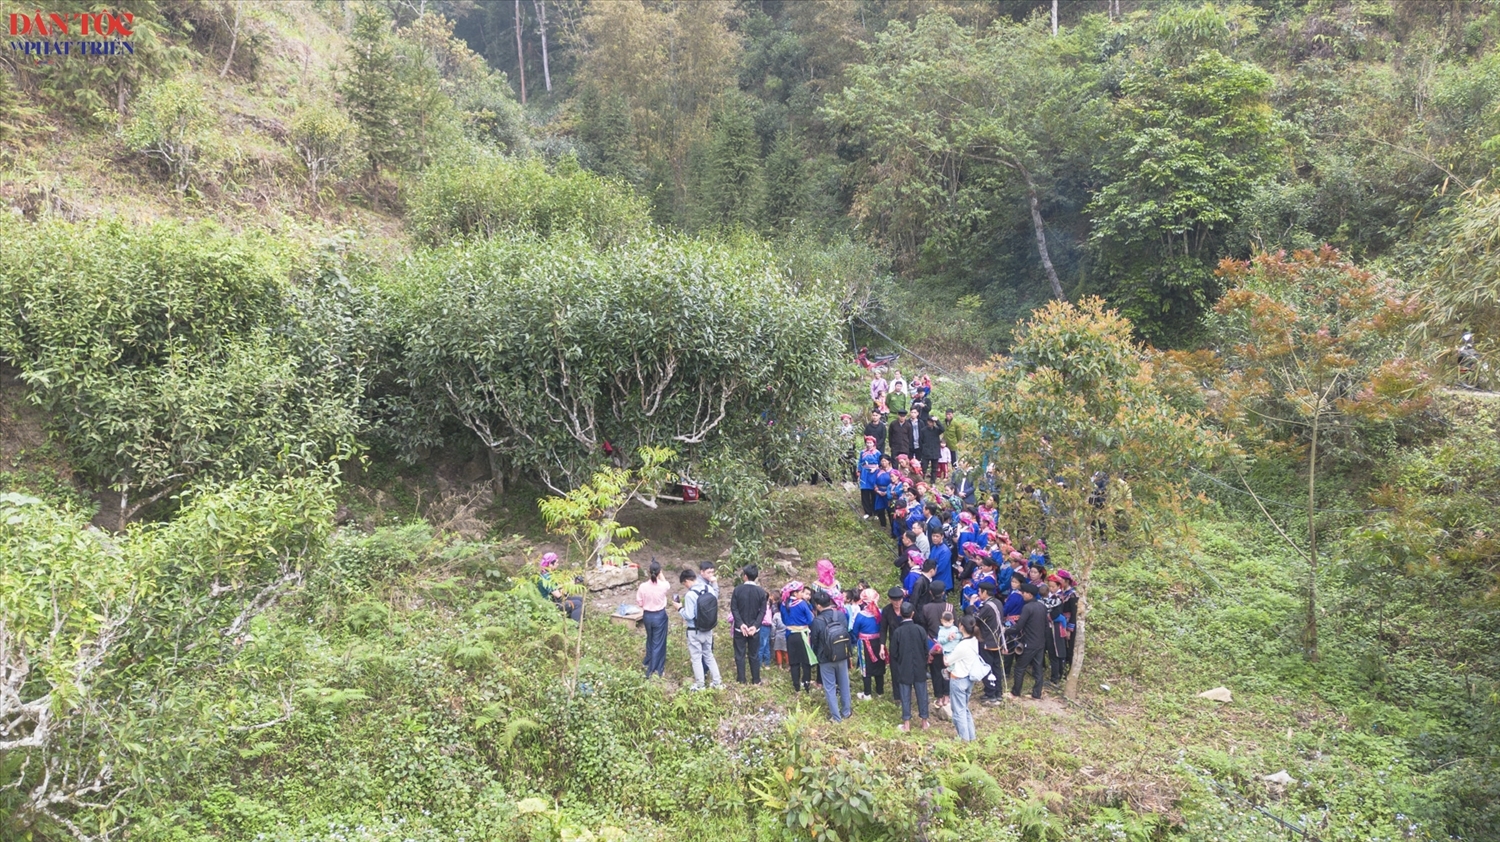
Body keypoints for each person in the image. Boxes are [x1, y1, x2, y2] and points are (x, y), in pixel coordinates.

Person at [676, 563, 724, 691]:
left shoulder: (690, 595)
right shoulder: (709, 589)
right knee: (709, 655)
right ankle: (717, 682)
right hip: (708, 628)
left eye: (684, 584)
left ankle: (700, 685)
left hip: (694, 630)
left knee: (696, 658)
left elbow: (689, 615)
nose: (685, 586)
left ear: (687, 581)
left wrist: (679, 608)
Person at [944, 616, 990, 742]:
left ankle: (964, 739)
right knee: (964, 708)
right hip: (969, 679)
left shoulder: (962, 646)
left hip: (958, 679)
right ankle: (971, 737)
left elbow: (947, 662)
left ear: (961, 627)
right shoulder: (974, 640)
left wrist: (944, 650)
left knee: (958, 711)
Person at [809, 590, 854, 722]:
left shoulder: (817, 621)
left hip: (826, 658)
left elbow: (815, 641)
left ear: (818, 605)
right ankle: (846, 711)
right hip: (842, 654)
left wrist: (818, 654)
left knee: (829, 687)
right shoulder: (840, 615)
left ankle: (836, 717)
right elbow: (845, 631)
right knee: (844, 683)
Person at [889, 601, 933, 731]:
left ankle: (907, 724)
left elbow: (893, 653)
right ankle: (924, 722)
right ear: (912, 614)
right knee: (922, 694)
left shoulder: (898, 632)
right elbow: (926, 649)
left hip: (904, 667)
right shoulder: (920, 630)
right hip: (919, 666)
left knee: (905, 695)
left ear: (900, 614)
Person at [731, 564, 769, 685]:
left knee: (740, 654)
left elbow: (734, 609)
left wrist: (741, 624)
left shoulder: (737, 590)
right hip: (754, 629)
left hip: (740, 629)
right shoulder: (761, 592)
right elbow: (762, 611)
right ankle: (756, 679)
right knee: (754, 654)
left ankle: (741, 679)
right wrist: (755, 626)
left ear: (745, 576)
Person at [1011, 582, 1049, 699]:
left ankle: (1015, 692)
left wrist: (1006, 631)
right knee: (1038, 669)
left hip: (1029, 643)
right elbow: (1046, 626)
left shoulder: (1027, 608)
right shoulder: (1042, 606)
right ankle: (1036, 693)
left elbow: (1019, 626)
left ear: (1030, 594)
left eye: (1024, 593)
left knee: (1019, 668)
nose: (1022, 594)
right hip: (1040, 643)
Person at [636, 560, 671, 678]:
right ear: (660, 572)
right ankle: (654, 668)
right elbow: (666, 583)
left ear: (648, 571)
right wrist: (661, 574)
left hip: (647, 615)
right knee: (658, 642)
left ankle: (648, 660)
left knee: (650, 638)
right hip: (659, 616)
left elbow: (640, 602)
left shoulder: (643, 586)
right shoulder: (663, 586)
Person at [974, 579, 1007, 705]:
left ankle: (990, 693)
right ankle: (998, 692)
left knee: (987, 668)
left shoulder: (987, 606)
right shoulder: (997, 602)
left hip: (987, 641)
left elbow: (976, 619)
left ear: (985, 592)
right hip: (997, 640)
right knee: (996, 667)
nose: (978, 593)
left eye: (979, 591)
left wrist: (971, 605)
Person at [781, 581, 816, 693]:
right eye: (801, 592)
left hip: (790, 634)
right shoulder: (801, 603)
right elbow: (810, 619)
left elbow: (783, 620)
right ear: (795, 593)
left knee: (794, 661)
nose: (802, 594)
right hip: (802, 635)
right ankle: (806, 683)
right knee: (805, 660)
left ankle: (796, 685)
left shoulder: (783, 604)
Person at [852, 588, 886, 699]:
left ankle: (867, 693)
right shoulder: (880, 613)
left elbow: (855, 631)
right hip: (879, 643)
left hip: (865, 644)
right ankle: (880, 691)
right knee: (879, 666)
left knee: (866, 668)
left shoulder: (861, 615)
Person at [537, 553, 583, 622]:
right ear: (550, 564)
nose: (557, 564)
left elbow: (557, 586)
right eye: (556, 562)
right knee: (578, 604)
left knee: (581, 599)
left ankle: (579, 620)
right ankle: (575, 625)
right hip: (551, 603)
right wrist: (568, 587)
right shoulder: (547, 577)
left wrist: (573, 582)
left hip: (554, 600)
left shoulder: (546, 573)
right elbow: (558, 595)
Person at [932, 605, 959, 710]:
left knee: (948, 675)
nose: (947, 624)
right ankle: (940, 697)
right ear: (941, 621)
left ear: (953, 621)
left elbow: (960, 636)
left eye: (949, 622)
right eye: (945, 622)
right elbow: (940, 640)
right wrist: (947, 638)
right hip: (943, 654)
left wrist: (955, 636)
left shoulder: (955, 629)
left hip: (953, 655)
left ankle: (947, 696)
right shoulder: (941, 630)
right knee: (941, 675)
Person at [857, 436, 881, 520]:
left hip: (874, 473)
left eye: (870, 443)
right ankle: (867, 512)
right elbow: (860, 462)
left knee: (874, 492)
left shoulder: (877, 453)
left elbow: (880, 463)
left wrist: (876, 468)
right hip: (864, 473)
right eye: (867, 443)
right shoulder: (862, 452)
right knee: (865, 492)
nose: (869, 444)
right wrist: (859, 471)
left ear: (874, 443)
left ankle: (876, 512)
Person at [918, 415, 946, 481]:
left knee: (934, 468)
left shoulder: (936, 430)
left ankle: (933, 481)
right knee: (923, 468)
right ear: (928, 422)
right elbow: (920, 441)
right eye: (930, 422)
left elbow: (943, 429)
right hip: (926, 452)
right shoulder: (923, 430)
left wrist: (937, 421)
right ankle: (921, 480)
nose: (931, 423)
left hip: (935, 451)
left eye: (933, 422)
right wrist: (923, 450)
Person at [770, 591, 788, 668]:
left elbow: (773, 626)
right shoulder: (787, 614)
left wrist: (772, 636)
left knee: (778, 650)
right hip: (786, 634)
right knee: (786, 650)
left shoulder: (776, 615)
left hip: (778, 634)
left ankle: (779, 665)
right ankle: (788, 665)